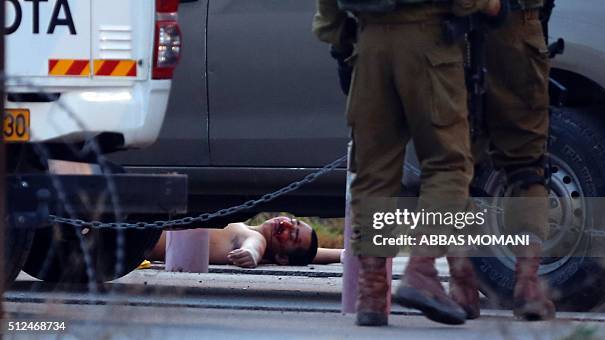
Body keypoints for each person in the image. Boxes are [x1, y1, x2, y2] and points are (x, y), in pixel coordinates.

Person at [314, 0, 503, 327]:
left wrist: (341, 39)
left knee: (373, 171)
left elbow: (329, 16)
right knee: (448, 164)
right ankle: (422, 269)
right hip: (428, 42)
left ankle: (372, 292)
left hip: (369, 45)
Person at [449, 0, 555, 321]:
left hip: (452, 29)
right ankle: (527, 284)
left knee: (450, 164)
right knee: (527, 163)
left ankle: (461, 285)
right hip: (515, 23)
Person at [151, 216, 342, 268]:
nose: (285, 224)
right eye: (293, 222)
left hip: (147, 239)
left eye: (291, 235)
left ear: (282, 257)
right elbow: (309, 255)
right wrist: (343, 254)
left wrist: (250, 254)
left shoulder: (255, 238)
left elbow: (253, 246)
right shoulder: (249, 230)